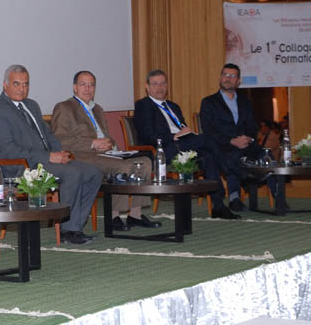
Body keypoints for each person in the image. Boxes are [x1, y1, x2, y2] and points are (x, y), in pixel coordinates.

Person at [0, 65, 102, 245]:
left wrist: (59, 153)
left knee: (93, 173)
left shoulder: (31, 105)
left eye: (25, 84)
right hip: (21, 168)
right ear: (5, 85)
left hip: (44, 162)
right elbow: (9, 150)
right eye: (16, 84)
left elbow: (48, 134)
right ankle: (68, 230)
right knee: (73, 173)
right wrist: (49, 157)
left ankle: (76, 224)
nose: (21, 88)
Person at [51, 71, 159, 231]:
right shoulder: (65, 107)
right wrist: (92, 144)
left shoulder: (98, 109)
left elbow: (107, 136)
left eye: (91, 85)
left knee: (144, 162)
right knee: (124, 167)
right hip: (82, 156)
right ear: (75, 87)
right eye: (83, 84)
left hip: (106, 154)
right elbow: (60, 140)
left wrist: (111, 144)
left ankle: (135, 215)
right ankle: (113, 216)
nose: (87, 88)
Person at [133, 69, 238, 219]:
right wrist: (173, 136)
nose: (159, 87)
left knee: (208, 157)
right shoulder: (143, 105)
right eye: (155, 84)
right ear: (147, 87)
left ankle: (218, 206)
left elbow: (183, 128)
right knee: (207, 138)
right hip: (163, 150)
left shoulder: (173, 106)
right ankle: (231, 169)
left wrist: (187, 133)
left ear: (167, 86)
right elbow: (147, 135)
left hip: (183, 146)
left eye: (163, 83)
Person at [199, 63, 276, 212]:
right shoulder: (209, 102)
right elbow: (208, 130)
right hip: (222, 146)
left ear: (238, 81)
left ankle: (278, 195)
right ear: (220, 78)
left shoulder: (245, 101)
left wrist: (248, 139)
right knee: (234, 156)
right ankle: (235, 197)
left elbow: (252, 126)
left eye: (232, 76)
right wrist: (231, 141)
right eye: (225, 75)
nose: (227, 78)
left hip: (246, 144)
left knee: (266, 154)